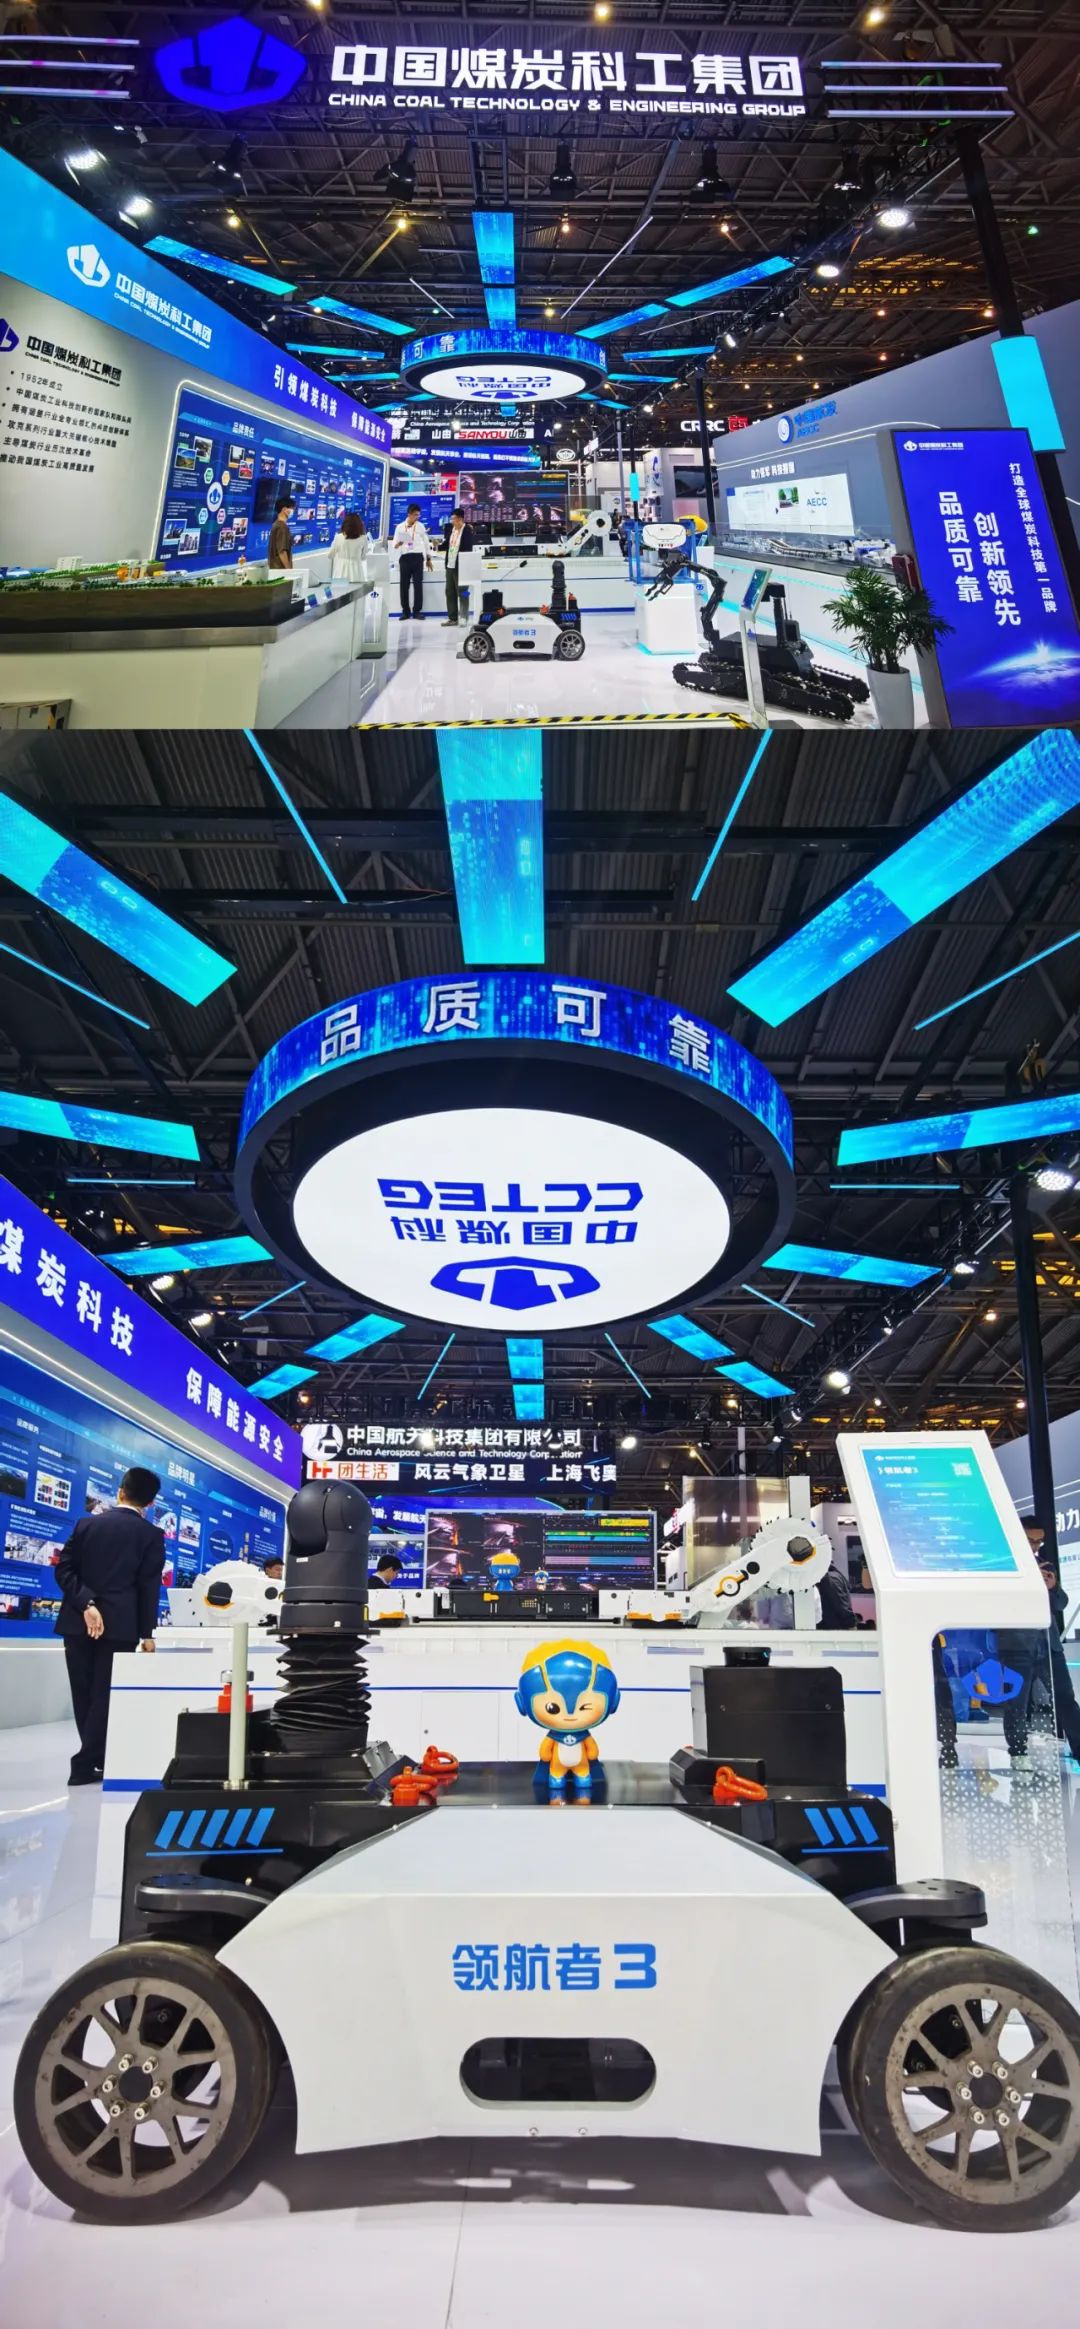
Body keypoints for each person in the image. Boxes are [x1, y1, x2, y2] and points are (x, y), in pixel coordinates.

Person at [55, 1466, 166, 1786]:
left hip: (77, 1622)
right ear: (150, 1503)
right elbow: (148, 1588)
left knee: (83, 1693)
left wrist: (86, 1604)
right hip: (120, 1626)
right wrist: (147, 1634)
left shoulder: (86, 1525)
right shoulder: (151, 1536)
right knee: (105, 1694)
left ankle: (94, 1758)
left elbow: (64, 1571)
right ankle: (87, 1761)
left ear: (120, 1491)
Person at [999, 1518, 1080, 1766]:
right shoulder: (1003, 1566)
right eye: (1030, 1540)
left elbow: (1060, 1604)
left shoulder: (1046, 1566)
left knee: (1065, 1698)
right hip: (1016, 1644)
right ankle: (1018, 1753)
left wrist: (1052, 1588)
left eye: (1039, 1541)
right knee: (1017, 1702)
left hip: (1049, 1644)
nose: (1035, 1546)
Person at [390, 503, 432, 619]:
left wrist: (428, 558)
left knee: (418, 585)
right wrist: (398, 544)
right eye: (415, 515)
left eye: (418, 515)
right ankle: (405, 611)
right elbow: (394, 544)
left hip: (418, 558)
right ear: (409, 514)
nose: (417, 517)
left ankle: (417, 611)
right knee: (404, 586)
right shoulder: (400, 527)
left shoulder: (420, 526)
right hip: (405, 558)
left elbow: (426, 543)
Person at [440, 507, 474, 625]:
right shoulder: (452, 530)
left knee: (463, 592)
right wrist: (436, 546)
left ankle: (464, 617)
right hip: (450, 566)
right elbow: (447, 544)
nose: (452, 521)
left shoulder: (467, 531)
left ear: (460, 519)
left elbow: (468, 549)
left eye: (453, 519)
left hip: (461, 567)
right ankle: (453, 618)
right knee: (450, 592)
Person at [329, 510, 369, 584]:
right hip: (356, 571)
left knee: (339, 590)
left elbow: (330, 555)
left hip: (340, 571)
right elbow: (363, 557)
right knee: (357, 590)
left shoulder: (338, 537)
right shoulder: (363, 538)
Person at [268, 494, 295, 570]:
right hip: (281, 570)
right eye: (292, 508)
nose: (293, 511)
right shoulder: (282, 527)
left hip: (274, 568)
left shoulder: (276, 524)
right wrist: (288, 569)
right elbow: (282, 551)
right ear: (284, 509)